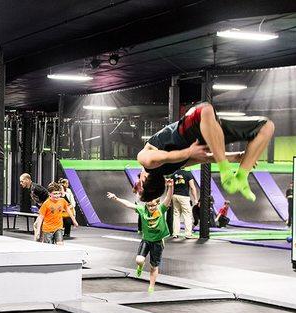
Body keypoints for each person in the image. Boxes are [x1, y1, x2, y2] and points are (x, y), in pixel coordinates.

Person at [136, 102, 274, 202]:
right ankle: (226, 172)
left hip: (211, 132)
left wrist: (237, 156)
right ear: (143, 181)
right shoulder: (145, 160)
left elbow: (205, 158)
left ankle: (242, 176)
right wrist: (189, 151)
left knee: (266, 126)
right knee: (205, 109)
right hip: (187, 133)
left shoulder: (171, 168)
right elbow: (165, 156)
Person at [107, 178, 174, 293]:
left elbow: (168, 198)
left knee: (154, 266)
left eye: (153, 206)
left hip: (157, 242)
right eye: (149, 206)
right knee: (139, 260)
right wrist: (116, 198)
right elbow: (128, 205)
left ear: (157, 204)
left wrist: (170, 187)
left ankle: (151, 286)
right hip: (146, 240)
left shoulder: (161, 209)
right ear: (146, 205)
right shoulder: (142, 210)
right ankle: (140, 266)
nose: (151, 208)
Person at [171, 168, 198, 238]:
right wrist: (195, 199)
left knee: (176, 215)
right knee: (187, 215)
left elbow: (171, 187)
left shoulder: (174, 174)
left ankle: (175, 233)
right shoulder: (188, 174)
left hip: (175, 196)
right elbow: (192, 187)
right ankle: (188, 234)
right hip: (184, 197)